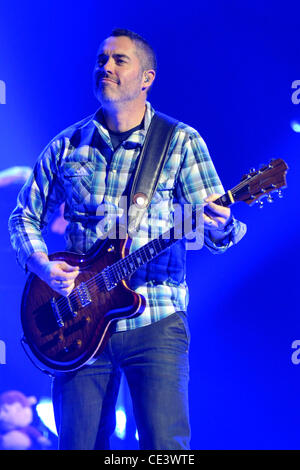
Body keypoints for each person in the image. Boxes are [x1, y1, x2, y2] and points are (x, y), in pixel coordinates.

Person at [8, 28, 246, 450]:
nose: (106, 67)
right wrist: (41, 264)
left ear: (146, 78)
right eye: (101, 60)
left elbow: (220, 236)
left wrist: (220, 223)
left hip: (154, 318)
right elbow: (23, 217)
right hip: (77, 323)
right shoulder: (67, 146)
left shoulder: (180, 142)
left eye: (119, 60)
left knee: (164, 448)